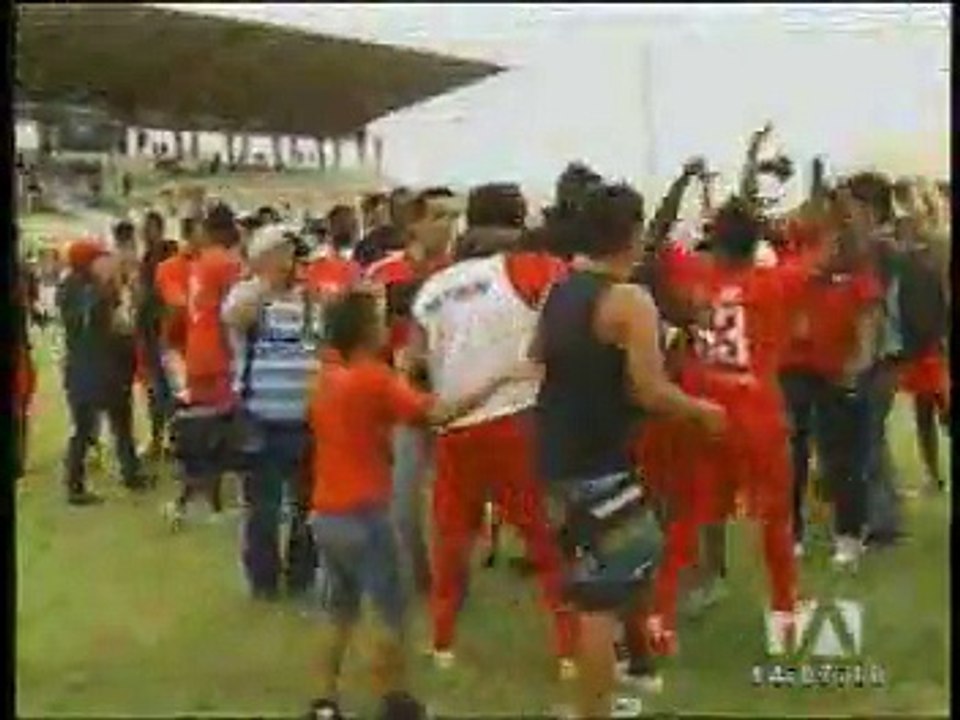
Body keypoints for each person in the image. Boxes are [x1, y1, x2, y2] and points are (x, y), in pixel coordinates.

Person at [532, 181, 725, 717]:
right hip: (600, 458)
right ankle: (592, 706)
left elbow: (536, 354)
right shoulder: (629, 300)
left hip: (556, 451)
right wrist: (702, 411)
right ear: (634, 234)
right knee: (600, 595)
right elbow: (650, 389)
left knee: (630, 556)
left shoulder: (560, 288)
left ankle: (632, 672)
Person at [305, 290, 525, 720]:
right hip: (366, 512)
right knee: (389, 613)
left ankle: (324, 703)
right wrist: (496, 382)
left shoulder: (325, 378)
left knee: (337, 612)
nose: (389, 326)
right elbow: (437, 413)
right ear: (367, 331)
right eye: (381, 320)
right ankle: (394, 701)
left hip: (326, 511)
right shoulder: (374, 378)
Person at [409, 183, 577, 674]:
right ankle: (568, 649)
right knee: (545, 539)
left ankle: (442, 643)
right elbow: (576, 307)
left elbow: (414, 362)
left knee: (451, 539)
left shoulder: (433, 288)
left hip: (456, 425)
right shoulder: (529, 267)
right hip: (516, 417)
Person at [365, 188, 458, 596]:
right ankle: (420, 579)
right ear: (415, 223)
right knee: (403, 500)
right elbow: (363, 336)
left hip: (456, 397)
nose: (448, 225)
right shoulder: (383, 274)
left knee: (454, 499)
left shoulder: (462, 274)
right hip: (404, 399)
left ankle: (452, 578)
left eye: (452, 217)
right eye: (439, 216)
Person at [221, 224, 319, 600]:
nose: (292, 261)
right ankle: (263, 580)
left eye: (293, 253)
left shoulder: (308, 300)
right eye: (284, 253)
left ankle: (302, 576)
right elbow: (233, 316)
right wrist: (266, 278)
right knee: (262, 507)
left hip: (305, 420)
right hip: (260, 419)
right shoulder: (247, 295)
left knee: (306, 505)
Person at [165, 204, 244, 528]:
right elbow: (235, 313)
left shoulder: (199, 263)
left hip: (199, 352)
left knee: (202, 431)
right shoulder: (225, 264)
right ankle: (205, 503)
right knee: (217, 433)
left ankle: (194, 501)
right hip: (218, 356)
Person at [58, 239, 148, 505]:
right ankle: (75, 485)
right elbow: (89, 322)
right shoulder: (80, 289)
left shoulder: (92, 287)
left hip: (104, 365)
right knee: (86, 428)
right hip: (90, 367)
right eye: (99, 258)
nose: (105, 262)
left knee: (121, 420)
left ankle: (130, 472)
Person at [137, 211, 179, 460]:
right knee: (155, 389)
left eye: (148, 228)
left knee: (168, 387)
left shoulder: (168, 253)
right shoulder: (147, 257)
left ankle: (172, 439)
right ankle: (157, 438)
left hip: (164, 330)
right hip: (149, 330)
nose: (145, 233)